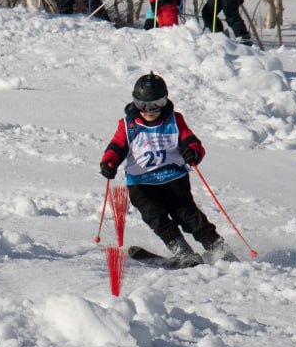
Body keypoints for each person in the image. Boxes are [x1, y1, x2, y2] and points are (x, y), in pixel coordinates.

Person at [98, 72, 235, 267]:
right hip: (141, 183)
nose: (149, 110)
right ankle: (183, 251)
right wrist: (109, 162)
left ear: (165, 101)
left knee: (188, 215)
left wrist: (193, 152)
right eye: (142, 105)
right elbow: (117, 146)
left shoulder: (174, 120)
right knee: (155, 218)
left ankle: (218, 248)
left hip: (173, 178)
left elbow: (191, 141)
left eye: (156, 104)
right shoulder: (128, 125)